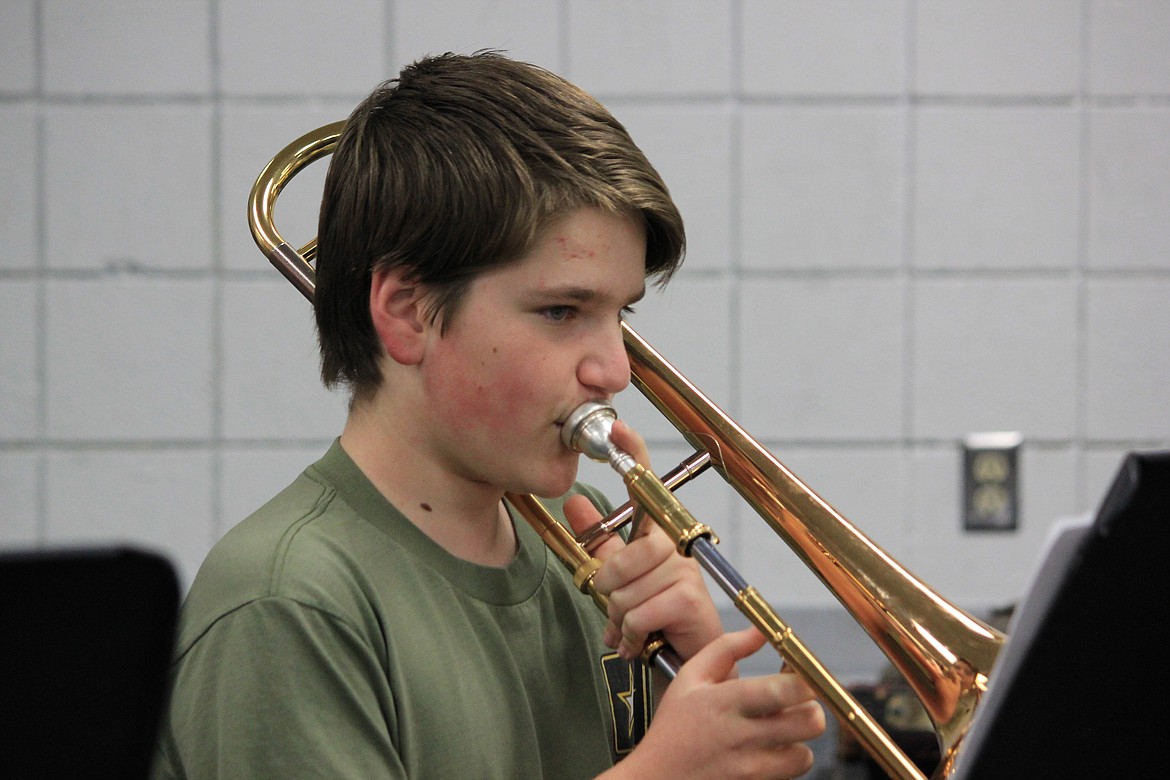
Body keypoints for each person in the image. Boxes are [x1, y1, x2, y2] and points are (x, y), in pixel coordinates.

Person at [152, 51, 824, 779]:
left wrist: (695, 670)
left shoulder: (586, 534)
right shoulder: (286, 602)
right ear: (407, 312)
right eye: (562, 310)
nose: (615, 371)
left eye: (618, 315)